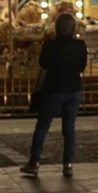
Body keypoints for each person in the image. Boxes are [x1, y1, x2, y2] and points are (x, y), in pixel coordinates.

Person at [20, 12, 86, 178]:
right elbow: (82, 66)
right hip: (73, 88)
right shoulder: (80, 45)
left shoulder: (50, 45)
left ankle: (34, 162)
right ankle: (68, 164)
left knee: (43, 125)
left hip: (54, 88)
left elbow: (43, 63)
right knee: (69, 128)